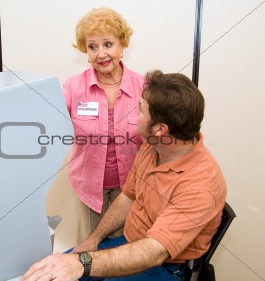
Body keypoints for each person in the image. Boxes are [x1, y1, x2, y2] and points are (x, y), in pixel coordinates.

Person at [22, 70, 227, 281]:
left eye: (139, 110)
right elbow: (128, 196)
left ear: (160, 129)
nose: (133, 115)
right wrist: (94, 240)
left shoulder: (201, 184)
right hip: (129, 243)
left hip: (164, 265)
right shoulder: (152, 147)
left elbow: (154, 252)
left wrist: (82, 264)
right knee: (46, 272)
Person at [62, 7, 145, 237]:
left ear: (121, 45)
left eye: (108, 44)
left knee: (123, 254)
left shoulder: (144, 87)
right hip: (87, 188)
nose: (101, 54)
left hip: (131, 190)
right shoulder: (72, 88)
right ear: (85, 51)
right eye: (92, 46)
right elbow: (51, 126)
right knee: (89, 253)